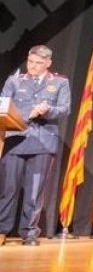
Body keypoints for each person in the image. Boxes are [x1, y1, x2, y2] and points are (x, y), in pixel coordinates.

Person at [0, 45, 71, 246]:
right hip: (15, 139)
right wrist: (28, 114)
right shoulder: (15, 81)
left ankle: (29, 233)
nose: (33, 66)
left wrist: (46, 111)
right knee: (8, 189)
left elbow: (64, 109)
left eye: (39, 63)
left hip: (43, 142)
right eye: (31, 62)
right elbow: (3, 107)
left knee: (34, 191)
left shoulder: (59, 82)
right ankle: (1, 230)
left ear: (48, 63)